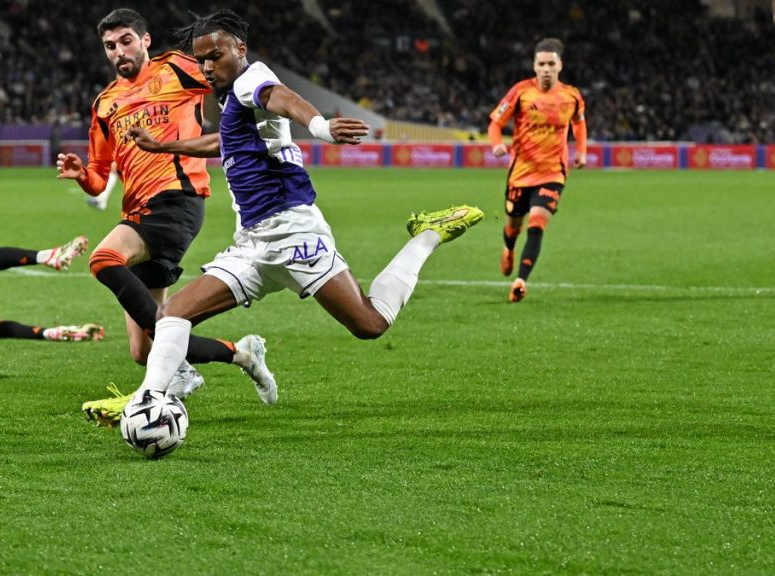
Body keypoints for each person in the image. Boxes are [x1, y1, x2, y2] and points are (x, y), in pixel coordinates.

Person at [118, 10, 483, 407]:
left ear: (240, 49)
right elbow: (223, 143)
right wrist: (164, 145)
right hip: (252, 244)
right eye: (202, 59)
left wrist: (321, 127)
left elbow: (284, 99)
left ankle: (428, 234)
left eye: (216, 56)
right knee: (173, 313)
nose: (207, 67)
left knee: (370, 323)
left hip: (293, 233)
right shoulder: (231, 100)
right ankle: (148, 400)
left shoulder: (252, 78)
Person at [53, 8, 273, 424]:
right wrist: (83, 176)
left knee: (103, 260)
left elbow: (227, 73)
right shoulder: (105, 104)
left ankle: (183, 371)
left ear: (145, 40)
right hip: (138, 210)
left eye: (126, 41)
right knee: (146, 348)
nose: (119, 52)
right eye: (110, 46)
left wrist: (259, 107)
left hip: (178, 199)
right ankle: (242, 354)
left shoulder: (174, 69)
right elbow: (100, 179)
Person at [488, 38, 587, 302]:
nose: (546, 68)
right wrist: (497, 145)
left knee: (538, 222)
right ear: (534, 65)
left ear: (560, 65)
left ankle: (520, 281)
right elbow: (495, 123)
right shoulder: (520, 92)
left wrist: (582, 151)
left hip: (553, 172)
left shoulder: (572, 96)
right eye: (541, 63)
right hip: (520, 173)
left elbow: (579, 123)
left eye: (551, 64)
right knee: (513, 226)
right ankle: (508, 249)